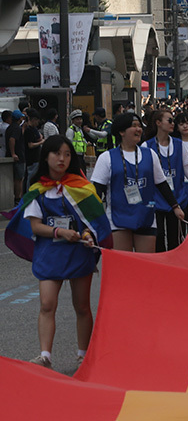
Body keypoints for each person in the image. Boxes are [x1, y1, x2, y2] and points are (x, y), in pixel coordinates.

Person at [12, 135, 112, 369]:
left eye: (67, 154)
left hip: (79, 253)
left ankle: (83, 355)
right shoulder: (37, 190)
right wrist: (60, 233)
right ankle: (45, 355)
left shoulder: (83, 187)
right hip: (49, 253)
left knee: (82, 306)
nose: (62, 159)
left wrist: (87, 235)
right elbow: (36, 226)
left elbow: (94, 222)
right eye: (57, 154)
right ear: (46, 156)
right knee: (47, 304)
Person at [90, 113, 185, 253]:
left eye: (140, 126)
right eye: (133, 126)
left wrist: (175, 207)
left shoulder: (150, 154)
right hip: (117, 220)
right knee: (123, 266)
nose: (138, 129)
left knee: (145, 267)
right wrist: (93, 221)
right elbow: (97, 191)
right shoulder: (106, 158)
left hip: (145, 217)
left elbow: (161, 184)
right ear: (121, 131)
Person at [144, 110, 188, 252]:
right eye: (170, 120)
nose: (173, 123)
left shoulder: (178, 144)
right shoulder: (147, 146)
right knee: (158, 236)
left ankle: (175, 267)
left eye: (173, 121)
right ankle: (161, 267)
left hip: (177, 198)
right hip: (156, 199)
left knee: (175, 238)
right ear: (158, 123)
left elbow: (187, 169)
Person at [6, 110, 25, 204]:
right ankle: (18, 198)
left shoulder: (9, 127)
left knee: (15, 178)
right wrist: (13, 153)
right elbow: (12, 139)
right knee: (19, 179)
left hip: (12, 156)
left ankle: (16, 197)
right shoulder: (16, 128)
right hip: (18, 157)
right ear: (19, 118)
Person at [23, 109, 44, 190]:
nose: (38, 123)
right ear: (33, 119)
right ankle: (29, 193)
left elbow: (39, 137)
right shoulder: (28, 130)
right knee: (31, 177)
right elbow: (30, 145)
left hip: (37, 158)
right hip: (31, 158)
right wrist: (41, 142)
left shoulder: (34, 129)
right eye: (37, 121)